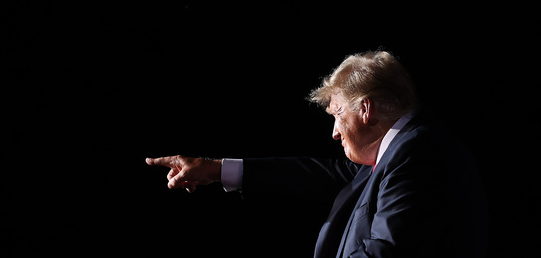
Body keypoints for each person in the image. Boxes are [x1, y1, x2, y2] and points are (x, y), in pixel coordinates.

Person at [146, 51, 488, 258]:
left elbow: (387, 251)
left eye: (338, 115)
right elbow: (315, 175)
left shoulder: (417, 154)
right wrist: (217, 169)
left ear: (365, 109)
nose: (335, 132)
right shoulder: (401, 152)